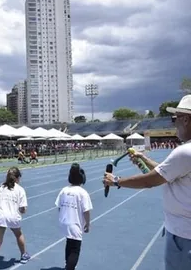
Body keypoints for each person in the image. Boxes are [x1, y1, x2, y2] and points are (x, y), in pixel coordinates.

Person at [103, 94, 191, 270]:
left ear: (187, 119)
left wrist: (116, 181)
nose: (175, 123)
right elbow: (168, 173)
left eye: (176, 118)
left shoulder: (185, 152)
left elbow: (150, 181)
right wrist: (144, 158)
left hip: (183, 236)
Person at [0, 167, 30, 270]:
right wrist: (23, 210)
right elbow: (23, 208)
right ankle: (23, 255)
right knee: (18, 234)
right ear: (18, 178)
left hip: (1, 216)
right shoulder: (20, 190)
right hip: (13, 216)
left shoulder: (1, 188)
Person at [55, 163, 92, 270]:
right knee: (75, 248)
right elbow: (86, 211)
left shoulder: (64, 190)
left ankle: (68, 264)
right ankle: (70, 268)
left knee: (69, 243)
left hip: (64, 221)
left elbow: (59, 206)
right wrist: (88, 224)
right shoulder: (83, 193)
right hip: (75, 224)